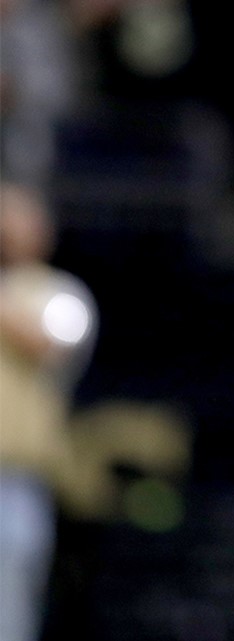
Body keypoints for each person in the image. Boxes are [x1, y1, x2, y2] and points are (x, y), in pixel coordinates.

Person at [0, 181, 98, 641]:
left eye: (18, 218)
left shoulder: (61, 295)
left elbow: (49, 343)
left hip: (15, 483)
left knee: (10, 614)